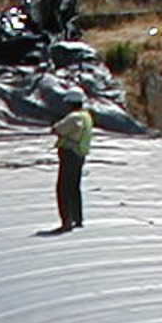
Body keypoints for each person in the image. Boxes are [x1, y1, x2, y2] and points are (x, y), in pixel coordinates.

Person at [50, 89, 92, 231]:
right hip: (80, 155)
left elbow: (57, 129)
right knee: (74, 188)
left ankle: (66, 222)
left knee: (63, 188)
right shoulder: (86, 116)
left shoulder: (74, 117)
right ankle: (77, 218)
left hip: (70, 155)